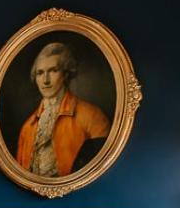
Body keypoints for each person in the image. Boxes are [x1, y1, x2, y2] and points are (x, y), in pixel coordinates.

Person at [14, 42, 111, 177]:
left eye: (53, 71)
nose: (45, 80)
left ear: (65, 74)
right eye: (40, 73)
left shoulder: (92, 116)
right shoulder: (27, 128)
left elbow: (102, 170)